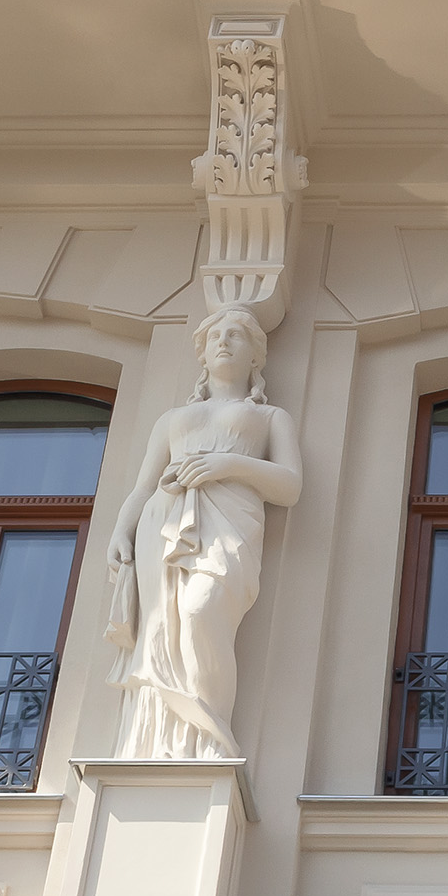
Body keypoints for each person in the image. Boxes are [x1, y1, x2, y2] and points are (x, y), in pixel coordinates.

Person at [101, 305, 303, 759]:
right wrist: (120, 530)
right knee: (160, 630)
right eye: (215, 337)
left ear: (256, 356)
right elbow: (142, 487)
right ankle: (162, 748)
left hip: (228, 523)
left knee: (199, 613)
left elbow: (289, 485)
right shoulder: (171, 419)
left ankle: (211, 740)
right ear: (203, 355)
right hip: (164, 523)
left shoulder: (272, 418)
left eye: (236, 335)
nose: (224, 342)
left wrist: (228, 464)